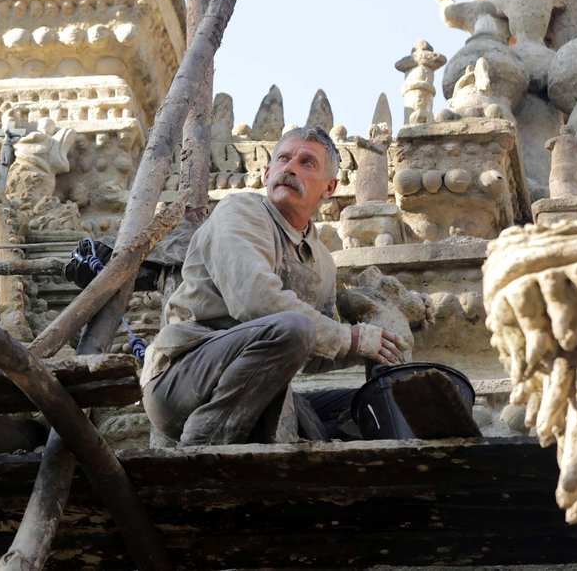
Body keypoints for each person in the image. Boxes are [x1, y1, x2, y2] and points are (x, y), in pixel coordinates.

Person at [141, 126, 408, 447]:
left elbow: (308, 350)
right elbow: (255, 301)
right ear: (268, 173)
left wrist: (371, 348)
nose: (290, 168)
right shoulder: (240, 211)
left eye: (307, 162)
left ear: (329, 187)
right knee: (294, 326)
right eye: (283, 159)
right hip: (184, 378)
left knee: (367, 404)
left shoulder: (323, 261)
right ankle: (203, 446)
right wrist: (350, 338)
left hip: (256, 389)